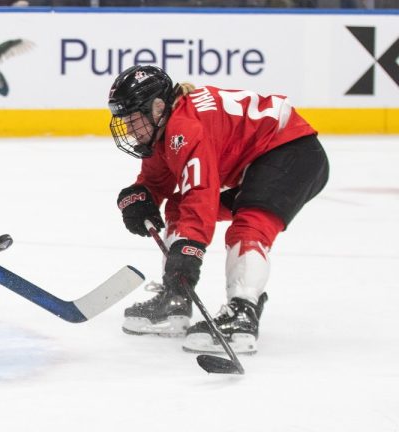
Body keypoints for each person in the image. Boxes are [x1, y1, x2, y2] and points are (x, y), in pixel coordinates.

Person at [110, 65, 328, 354]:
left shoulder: (186, 127)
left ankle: (243, 313)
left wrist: (188, 253)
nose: (129, 130)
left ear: (158, 106)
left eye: (133, 120)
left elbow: (201, 195)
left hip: (292, 153)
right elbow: (156, 179)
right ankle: (176, 299)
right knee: (179, 207)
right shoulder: (164, 130)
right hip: (260, 160)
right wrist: (141, 195)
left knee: (250, 224)